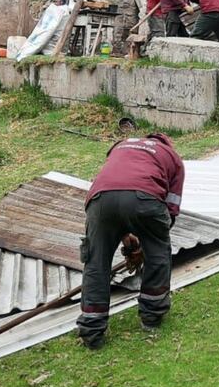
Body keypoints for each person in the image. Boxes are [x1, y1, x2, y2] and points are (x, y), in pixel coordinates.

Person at [77, 133, 185, 349]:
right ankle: (151, 317)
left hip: (100, 200)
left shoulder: (120, 146)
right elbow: (171, 209)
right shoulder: (173, 158)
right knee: (158, 254)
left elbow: (118, 192)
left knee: (96, 262)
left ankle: (92, 331)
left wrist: (131, 241)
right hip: (146, 199)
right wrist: (149, 243)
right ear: (167, 144)